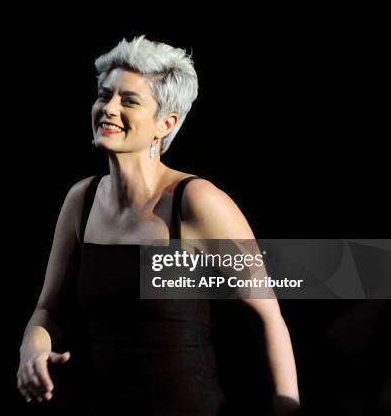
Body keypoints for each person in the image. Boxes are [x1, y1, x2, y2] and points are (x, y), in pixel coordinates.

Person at [17, 35, 300, 415]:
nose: (108, 109)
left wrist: (288, 407)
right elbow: (48, 311)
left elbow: (267, 317)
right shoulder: (81, 200)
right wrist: (31, 347)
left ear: (165, 124)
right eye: (104, 95)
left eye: (128, 101)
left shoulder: (196, 201)